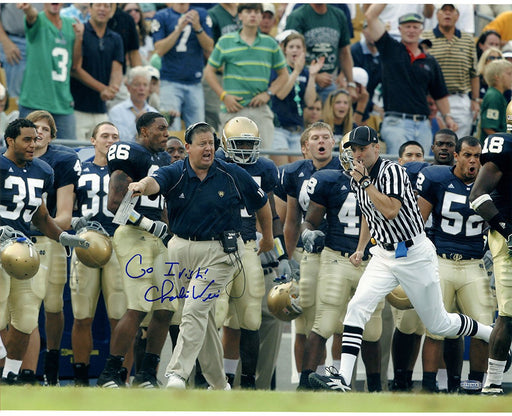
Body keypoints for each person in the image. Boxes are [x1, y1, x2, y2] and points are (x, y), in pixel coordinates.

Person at [307, 125, 494, 392]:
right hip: (382, 254)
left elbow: (391, 209)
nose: (358, 154)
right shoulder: (358, 177)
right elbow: (370, 215)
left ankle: (491, 334)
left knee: (438, 322)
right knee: (356, 308)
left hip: (414, 253)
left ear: (376, 147)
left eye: (363, 148)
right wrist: (362, 247)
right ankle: (343, 379)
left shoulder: (391, 171)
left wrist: (365, 184)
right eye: (354, 149)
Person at [126, 121, 273, 390]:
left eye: (212, 144)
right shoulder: (175, 171)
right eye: (202, 143)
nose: (208, 148)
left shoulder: (232, 173)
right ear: (188, 148)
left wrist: (269, 236)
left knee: (194, 308)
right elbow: (154, 182)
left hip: (220, 251)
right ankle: (220, 385)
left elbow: (261, 203)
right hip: (180, 249)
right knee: (199, 318)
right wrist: (140, 186)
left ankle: (177, 373)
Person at [0, 118, 88, 384]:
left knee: (26, 318)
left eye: (35, 139)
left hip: (23, 249)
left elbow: (40, 216)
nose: (33, 144)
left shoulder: (42, 170)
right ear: (9, 141)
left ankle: (10, 376)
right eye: (26, 139)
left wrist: (63, 237)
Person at [96, 112, 174, 388]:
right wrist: (149, 226)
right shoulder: (130, 153)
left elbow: (163, 206)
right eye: (160, 128)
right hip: (133, 235)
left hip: (157, 238)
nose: (166, 133)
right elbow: (115, 205)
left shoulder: (164, 160)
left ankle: (147, 374)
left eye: (167, 128)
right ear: (143, 130)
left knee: (166, 308)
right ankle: (110, 374)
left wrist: (166, 231)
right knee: (139, 306)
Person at [297, 154, 384, 392]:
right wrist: (307, 234)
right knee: (323, 323)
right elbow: (310, 221)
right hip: (337, 257)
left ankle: (375, 389)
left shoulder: (384, 181)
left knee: (373, 330)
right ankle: (305, 384)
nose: (359, 160)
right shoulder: (331, 181)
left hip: (374, 262)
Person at [417, 136, 493, 393]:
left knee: (484, 327)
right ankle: (429, 386)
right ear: (457, 156)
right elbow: (418, 223)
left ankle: (474, 386)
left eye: (477, 156)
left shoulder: (491, 183)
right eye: (468, 155)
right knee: (435, 328)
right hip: (442, 261)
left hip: (474, 264)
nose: (473, 161)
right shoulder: (437, 179)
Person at [214, 116, 285, 389]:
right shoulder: (215, 161)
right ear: (225, 143)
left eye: (249, 143)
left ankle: (244, 381)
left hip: (247, 245)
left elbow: (273, 214)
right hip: (216, 243)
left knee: (249, 317)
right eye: (239, 142)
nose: (244, 149)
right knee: (216, 315)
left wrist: (280, 254)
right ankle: (209, 378)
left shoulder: (265, 167)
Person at [22, 110, 81, 385]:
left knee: (53, 304)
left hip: (50, 237)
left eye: (45, 128)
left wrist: (41, 226)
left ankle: (52, 367)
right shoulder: (10, 160)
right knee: (22, 305)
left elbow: (66, 216)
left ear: (52, 134)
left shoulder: (62, 160)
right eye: (34, 127)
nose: (39, 132)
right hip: (17, 239)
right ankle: (21, 369)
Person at [69, 121, 127, 386]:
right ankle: (80, 379)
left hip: (118, 243)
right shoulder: (79, 169)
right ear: (92, 140)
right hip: (86, 244)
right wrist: (75, 223)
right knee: (82, 316)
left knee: (120, 316)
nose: (110, 140)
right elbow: (66, 208)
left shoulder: (128, 171)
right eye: (105, 135)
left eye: (115, 136)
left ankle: (120, 377)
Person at [281, 122, 341, 374]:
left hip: (338, 253)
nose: (322, 142)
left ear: (333, 143)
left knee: (337, 322)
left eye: (326, 137)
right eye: (315, 138)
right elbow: (291, 220)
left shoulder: (345, 169)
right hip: (307, 254)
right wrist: (287, 257)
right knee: (305, 322)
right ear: (305, 147)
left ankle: (337, 376)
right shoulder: (295, 172)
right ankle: (307, 380)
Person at [365, 4, 458, 157]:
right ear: (399, 29)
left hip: (422, 124)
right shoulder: (390, 48)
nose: (411, 30)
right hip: (396, 122)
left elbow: (439, 94)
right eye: (407, 26)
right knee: (399, 168)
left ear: (421, 30)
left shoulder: (430, 61)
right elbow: (370, 16)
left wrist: (447, 116)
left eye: (415, 27)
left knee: (421, 170)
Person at [469, 101, 512, 395]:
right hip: (507, 239)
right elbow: (477, 196)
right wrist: (508, 230)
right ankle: (492, 383)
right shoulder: (503, 146)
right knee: (508, 314)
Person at [204, 3, 288, 151]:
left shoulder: (270, 43)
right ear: (240, 15)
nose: (253, 15)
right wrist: (224, 96)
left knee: (262, 158)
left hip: (260, 109)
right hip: (232, 109)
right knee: (229, 158)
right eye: (248, 11)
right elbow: (208, 72)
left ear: (261, 16)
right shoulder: (225, 41)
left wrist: (268, 94)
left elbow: (284, 75)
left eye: (256, 11)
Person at [18, 3, 82, 141]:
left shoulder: (71, 24)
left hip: (63, 101)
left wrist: (79, 38)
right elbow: (31, 16)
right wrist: (28, 9)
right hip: (34, 101)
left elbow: (76, 65)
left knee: (69, 152)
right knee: (27, 149)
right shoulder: (38, 19)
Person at [421, 4, 480, 138]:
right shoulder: (424, 37)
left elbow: (474, 73)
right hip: (432, 100)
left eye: (451, 11)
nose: (447, 14)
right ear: (437, 15)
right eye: (444, 10)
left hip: (459, 98)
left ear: (457, 16)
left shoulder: (468, 40)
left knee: (458, 145)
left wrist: (475, 100)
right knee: (432, 144)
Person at [152, 4, 213, 132]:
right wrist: (178, 29)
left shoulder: (201, 14)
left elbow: (209, 47)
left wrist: (197, 27)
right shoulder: (162, 16)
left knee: (198, 130)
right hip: (170, 81)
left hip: (194, 82)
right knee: (170, 128)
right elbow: (159, 49)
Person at [71, 3, 124, 140]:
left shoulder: (116, 38)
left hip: (101, 109)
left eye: (107, 6)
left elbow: (117, 68)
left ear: (111, 11)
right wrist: (103, 89)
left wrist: (114, 88)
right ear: (89, 9)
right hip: (77, 108)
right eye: (98, 5)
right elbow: (75, 69)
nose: (102, 9)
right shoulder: (80, 32)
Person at [270, 32, 323, 166]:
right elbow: (280, 94)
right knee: (281, 171)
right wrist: (295, 72)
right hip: (278, 128)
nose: (295, 50)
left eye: (298, 47)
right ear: (285, 50)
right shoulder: (278, 70)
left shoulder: (305, 71)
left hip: (297, 129)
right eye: (291, 46)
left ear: (303, 51)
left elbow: (310, 102)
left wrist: (312, 76)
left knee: (299, 171)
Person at [285, 3, 356, 103]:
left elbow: (345, 53)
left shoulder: (339, 15)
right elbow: (290, 54)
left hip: (331, 80)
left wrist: (350, 83)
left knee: (331, 115)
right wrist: (314, 76)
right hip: (303, 80)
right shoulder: (297, 16)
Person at [202, 3, 240, 132]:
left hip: (239, 78)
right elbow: (208, 49)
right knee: (215, 120)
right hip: (217, 76)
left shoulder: (244, 11)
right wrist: (230, 70)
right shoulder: (213, 14)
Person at [0, 4, 44, 100]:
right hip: (14, 42)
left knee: (38, 94)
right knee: (13, 97)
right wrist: (5, 41)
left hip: (42, 41)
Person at [108, 66, 157, 142]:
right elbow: (118, 141)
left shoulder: (154, 113)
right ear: (128, 87)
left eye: (145, 85)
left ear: (149, 88)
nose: (141, 89)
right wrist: (137, 125)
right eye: (137, 84)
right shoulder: (116, 112)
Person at [350, 23, 383, 124]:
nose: (374, 34)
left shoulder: (383, 54)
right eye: (371, 30)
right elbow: (356, 90)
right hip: (353, 102)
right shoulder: (354, 51)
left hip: (369, 101)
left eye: (377, 30)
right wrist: (374, 106)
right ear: (363, 31)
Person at [479, 59, 512, 140]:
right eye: (509, 74)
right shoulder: (493, 96)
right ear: (497, 77)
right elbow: (488, 127)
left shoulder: (499, 95)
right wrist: (505, 142)